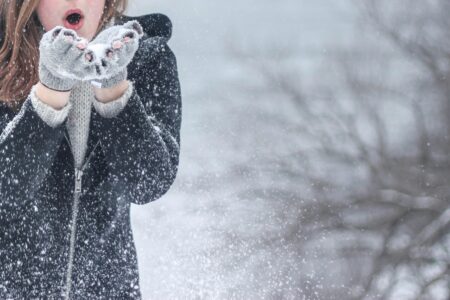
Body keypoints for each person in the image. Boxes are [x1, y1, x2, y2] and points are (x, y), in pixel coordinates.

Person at [0, 0, 182, 298]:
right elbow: (6, 189)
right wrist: (51, 92)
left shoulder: (148, 57)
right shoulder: (3, 57)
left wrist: (114, 90)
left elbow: (149, 182)